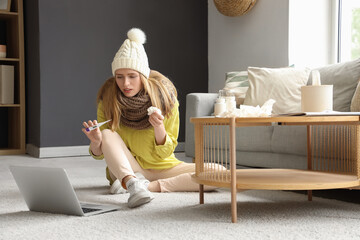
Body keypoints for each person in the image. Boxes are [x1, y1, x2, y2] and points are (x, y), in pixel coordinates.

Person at [82, 28, 216, 208]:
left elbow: (166, 153)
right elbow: (100, 155)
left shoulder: (166, 100)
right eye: (119, 77)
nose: (125, 84)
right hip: (127, 169)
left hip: (163, 167)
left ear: (143, 76)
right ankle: (131, 183)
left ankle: (148, 186)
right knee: (107, 135)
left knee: (218, 172)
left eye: (132, 76)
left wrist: (159, 127)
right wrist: (96, 142)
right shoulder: (107, 101)